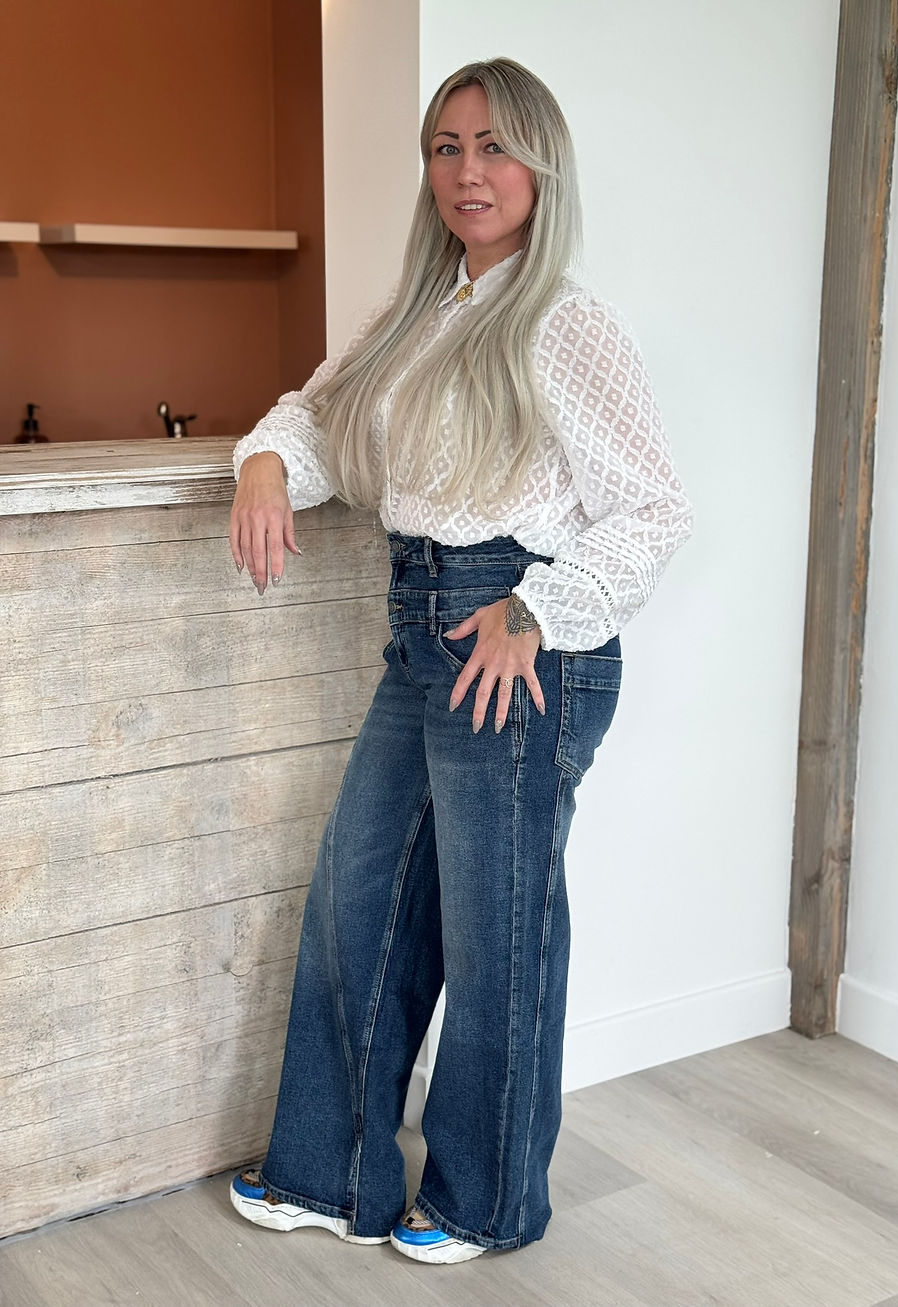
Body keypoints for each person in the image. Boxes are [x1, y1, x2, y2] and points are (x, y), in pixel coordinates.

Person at [226, 57, 692, 1265]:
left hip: (517, 643)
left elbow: (653, 507)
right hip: (418, 626)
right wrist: (265, 463)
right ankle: (329, 1169)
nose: (468, 172)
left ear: (540, 166)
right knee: (359, 901)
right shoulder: (416, 313)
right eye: (446, 148)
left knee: (496, 932)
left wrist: (535, 608)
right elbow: (318, 416)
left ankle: (485, 1198)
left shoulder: (566, 323)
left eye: (493, 147)